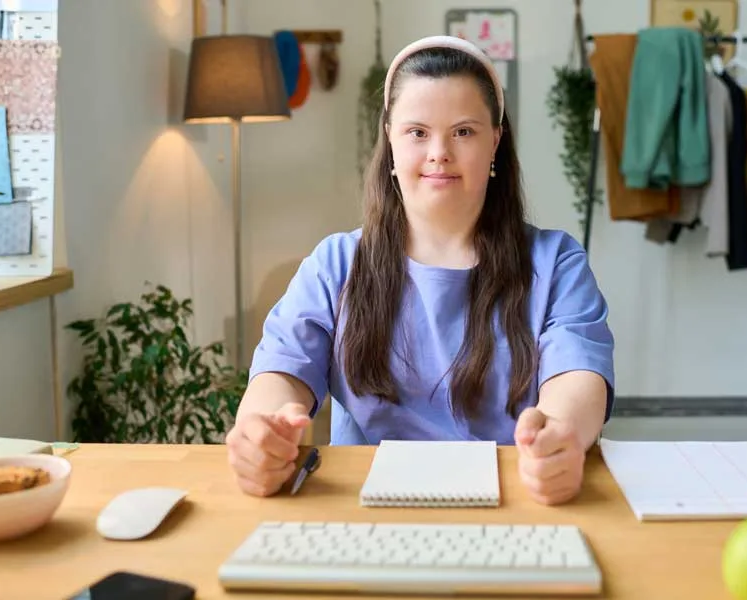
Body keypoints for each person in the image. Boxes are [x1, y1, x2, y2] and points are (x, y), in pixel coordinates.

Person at [225, 35, 616, 506]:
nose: (439, 152)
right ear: (389, 138)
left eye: (464, 132)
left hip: (517, 500)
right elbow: (282, 372)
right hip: (364, 505)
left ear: (496, 140)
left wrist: (560, 437)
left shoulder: (556, 264)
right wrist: (262, 433)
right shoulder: (335, 264)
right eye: (417, 132)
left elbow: (577, 379)